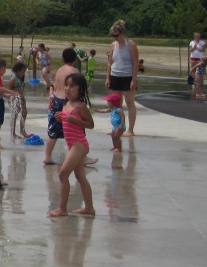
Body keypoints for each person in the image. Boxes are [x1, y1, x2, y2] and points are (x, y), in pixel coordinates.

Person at [48, 72, 95, 218]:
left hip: (79, 144)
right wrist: (61, 119)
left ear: (80, 89)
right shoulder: (66, 104)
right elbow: (67, 122)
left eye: (72, 86)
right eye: (66, 85)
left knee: (63, 174)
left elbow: (90, 124)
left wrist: (74, 120)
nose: (68, 89)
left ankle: (62, 208)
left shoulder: (80, 106)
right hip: (73, 145)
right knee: (80, 176)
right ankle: (89, 208)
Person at [44, 47, 78, 166]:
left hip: (55, 100)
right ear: (75, 60)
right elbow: (76, 89)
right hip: (66, 102)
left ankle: (47, 156)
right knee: (77, 130)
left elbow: (55, 86)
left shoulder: (59, 70)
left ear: (63, 59)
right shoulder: (74, 71)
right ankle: (82, 157)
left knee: (53, 131)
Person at [105, 19, 139, 136]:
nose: (114, 37)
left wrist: (134, 80)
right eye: (112, 35)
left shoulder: (131, 45)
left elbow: (135, 63)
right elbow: (110, 63)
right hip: (115, 75)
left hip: (127, 76)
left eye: (116, 35)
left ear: (122, 33)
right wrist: (108, 78)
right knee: (115, 103)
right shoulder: (113, 45)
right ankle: (117, 127)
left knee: (130, 103)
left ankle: (130, 129)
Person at [6, 61, 31, 139]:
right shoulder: (13, 79)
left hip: (21, 97)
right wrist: (11, 99)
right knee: (15, 115)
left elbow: (21, 89)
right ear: (17, 71)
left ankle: (22, 130)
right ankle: (12, 132)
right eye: (23, 71)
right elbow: (8, 90)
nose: (24, 73)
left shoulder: (20, 78)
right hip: (14, 99)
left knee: (24, 112)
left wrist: (22, 98)